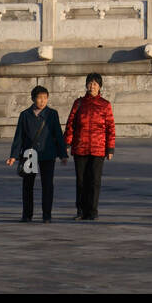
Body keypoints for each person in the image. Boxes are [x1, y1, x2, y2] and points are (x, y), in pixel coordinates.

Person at [6, 85, 69, 222]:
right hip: (29, 153)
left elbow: (58, 134)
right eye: (39, 98)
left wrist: (62, 154)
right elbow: (19, 137)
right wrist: (13, 156)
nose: (42, 101)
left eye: (45, 98)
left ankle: (47, 215)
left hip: (47, 154)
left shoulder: (52, 114)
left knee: (47, 185)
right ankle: (27, 214)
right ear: (33, 99)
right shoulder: (25, 115)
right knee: (27, 185)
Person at [64, 73, 115, 221]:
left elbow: (110, 128)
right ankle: (81, 211)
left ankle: (92, 211)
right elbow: (70, 125)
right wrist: (67, 143)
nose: (92, 86)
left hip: (98, 148)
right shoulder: (78, 103)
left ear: (100, 86)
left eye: (95, 84)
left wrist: (110, 149)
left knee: (95, 181)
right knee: (81, 181)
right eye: (90, 83)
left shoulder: (105, 105)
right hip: (80, 147)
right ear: (86, 85)